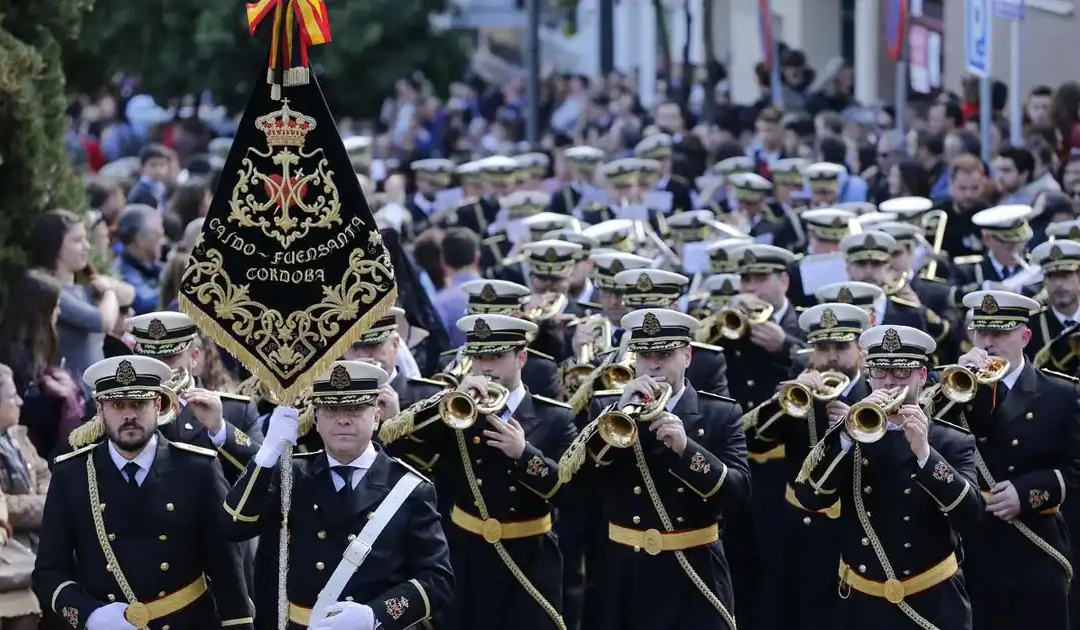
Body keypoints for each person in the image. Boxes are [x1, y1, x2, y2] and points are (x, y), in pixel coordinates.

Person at [379, 314, 577, 630]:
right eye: (479, 358)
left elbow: (571, 492)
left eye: (496, 357)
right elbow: (402, 450)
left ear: (521, 358)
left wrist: (523, 454)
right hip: (467, 557)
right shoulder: (458, 412)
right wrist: (442, 404)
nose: (486, 368)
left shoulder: (553, 417)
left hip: (528, 559)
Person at [222, 360, 454, 630]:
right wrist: (266, 454)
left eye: (355, 409)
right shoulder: (292, 475)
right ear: (316, 420)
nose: (343, 419)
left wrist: (375, 615)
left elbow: (437, 579)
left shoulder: (408, 487)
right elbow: (234, 526)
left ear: (376, 416)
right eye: (331, 409)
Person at [32, 355, 254, 629]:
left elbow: (228, 571)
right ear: (100, 410)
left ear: (158, 405)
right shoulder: (73, 473)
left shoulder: (198, 469)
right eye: (118, 405)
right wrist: (89, 615)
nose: (129, 415)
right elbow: (48, 572)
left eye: (139, 404)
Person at [562, 308, 749, 630]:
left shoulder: (719, 413)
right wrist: (616, 417)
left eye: (665, 353)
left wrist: (686, 449)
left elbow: (738, 494)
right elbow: (574, 484)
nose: (654, 364)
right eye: (644, 355)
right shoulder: (605, 411)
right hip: (625, 572)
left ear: (687, 356)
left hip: (693, 570)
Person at [793, 325, 983, 630]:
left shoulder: (950, 440)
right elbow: (811, 497)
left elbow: (971, 517)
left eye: (902, 373)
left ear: (922, 376)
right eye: (880, 372)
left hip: (932, 601)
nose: (890, 382)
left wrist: (925, 454)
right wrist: (844, 435)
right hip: (864, 603)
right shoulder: (849, 437)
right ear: (869, 375)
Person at [955, 291, 1080, 629]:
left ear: (1025, 337)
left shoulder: (1061, 393)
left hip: (1033, 542)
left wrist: (1028, 493)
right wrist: (952, 394)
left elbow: (1075, 468)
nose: (989, 343)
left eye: (1000, 333)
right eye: (982, 333)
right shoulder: (953, 389)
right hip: (973, 546)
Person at [744, 302, 872, 629]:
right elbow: (751, 439)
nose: (831, 357)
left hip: (854, 531)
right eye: (821, 348)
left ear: (860, 350)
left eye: (841, 347)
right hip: (798, 531)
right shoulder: (795, 392)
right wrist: (785, 402)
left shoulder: (874, 393)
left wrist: (857, 418)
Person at [65, 311, 262, 484]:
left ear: (194, 356)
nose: (160, 368)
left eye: (170, 358)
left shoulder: (235, 411)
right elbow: (66, 466)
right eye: (151, 359)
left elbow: (267, 473)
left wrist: (219, 430)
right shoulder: (111, 406)